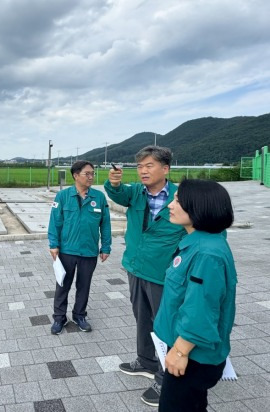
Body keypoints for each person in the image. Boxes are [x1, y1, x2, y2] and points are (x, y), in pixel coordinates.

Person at [104, 146, 186, 407]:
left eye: (149, 165)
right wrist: (112, 182)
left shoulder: (181, 197)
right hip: (136, 267)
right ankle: (146, 360)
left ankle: (166, 377)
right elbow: (116, 192)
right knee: (142, 317)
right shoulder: (135, 192)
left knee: (165, 325)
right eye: (139, 167)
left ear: (166, 168)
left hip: (164, 274)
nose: (143, 171)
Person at [154, 179, 236, 411]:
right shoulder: (201, 241)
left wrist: (179, 351)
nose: (170, 204)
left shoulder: (207, 253)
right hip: (189, 351)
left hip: (192, 357)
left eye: (178, 200)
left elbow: (201, 309)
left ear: (199, 206)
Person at [48, 160, 111, 335]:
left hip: (89, 251)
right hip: (67, 250)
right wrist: (53, 244)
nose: (91, 177)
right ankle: (59, 318)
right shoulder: (63, 196)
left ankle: (79, 315)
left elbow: (105, 224)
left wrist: (106, 246)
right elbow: (55, 222)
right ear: (76, 176)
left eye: (93, 173)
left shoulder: (99, 197)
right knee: (63, 285)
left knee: (84, 286)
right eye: (87, 173)